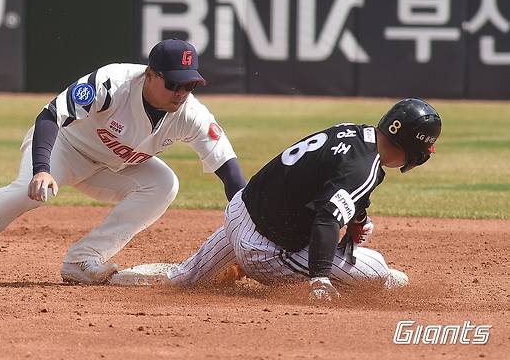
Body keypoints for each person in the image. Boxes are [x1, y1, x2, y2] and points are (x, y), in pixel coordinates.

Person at [0, 38, 246, 286]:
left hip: (112, 166)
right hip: (65, 147)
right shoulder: (113, 83)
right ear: (150, 75)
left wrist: (247, 232)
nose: (181, 92)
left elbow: (230, 174)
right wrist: (42, 168)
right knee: (24, 193)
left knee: (163, 184)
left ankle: (84, 259)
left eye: (189, 85)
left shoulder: (192, 116)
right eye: (174, 83)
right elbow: (50, 115)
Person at [117, 99, 441, 301]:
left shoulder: (353, 133)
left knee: (183, 277)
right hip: (265, 251)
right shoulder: (365, 168)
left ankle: (115, 276)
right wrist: (320, 280)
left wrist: (357, 220)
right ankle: (258, 268)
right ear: (414, 149)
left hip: (238, 214)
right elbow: (327, 218)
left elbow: (338, 182)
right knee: (377, 272)